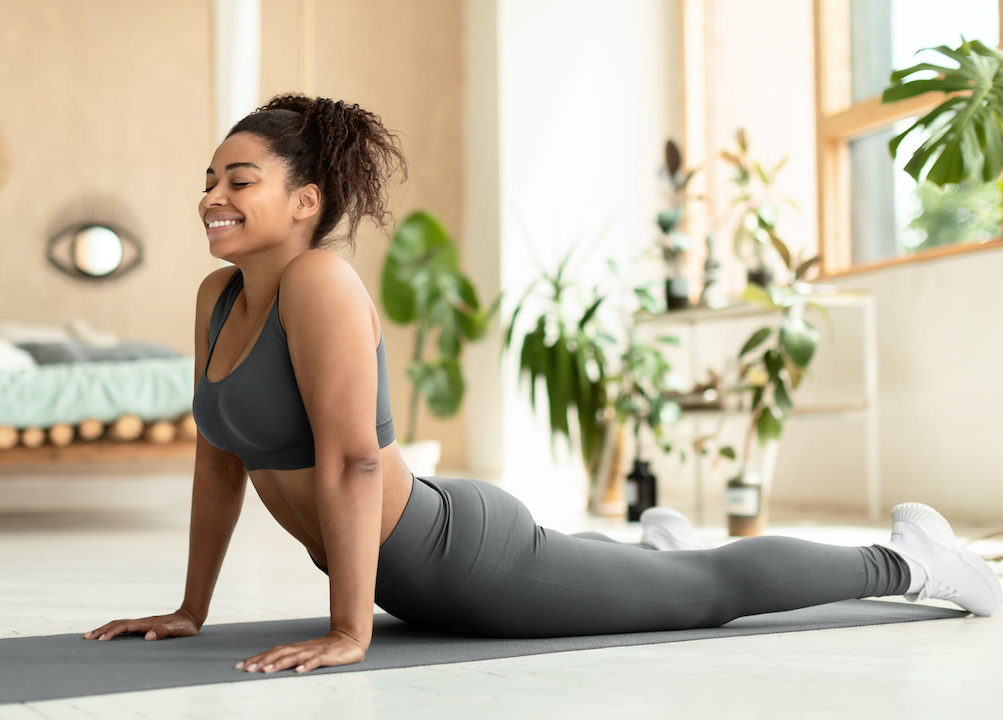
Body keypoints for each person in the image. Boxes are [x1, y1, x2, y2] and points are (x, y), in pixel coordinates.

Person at [84, 93, 1002, 676]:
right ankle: (654, 552)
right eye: (209, 180)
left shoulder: (320, 282)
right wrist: (190, 608)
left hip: (460, 563)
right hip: (419, 560)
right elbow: (218, 464)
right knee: (663, 575)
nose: (212, 196)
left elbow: (356, 463)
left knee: (707, 596)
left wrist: (350, 633)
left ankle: (915, 561)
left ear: (306, 201)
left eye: (239, 180)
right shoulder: (217, 296)